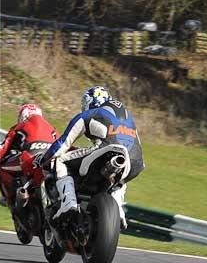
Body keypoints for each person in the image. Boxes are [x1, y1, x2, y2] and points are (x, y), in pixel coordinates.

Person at [42, 86, 144, 227]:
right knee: (120, 180)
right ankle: (118, 209)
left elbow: (62, 144)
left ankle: (69, 203)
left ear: (91, 101)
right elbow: (137, 146)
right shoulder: (129, 119)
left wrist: (44, 160)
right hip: (136, 162)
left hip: (106, 150)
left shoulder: (90, 114)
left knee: (60, 160)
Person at [0, 103, 59, 205]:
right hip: (52, 160)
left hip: (30, 160)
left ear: (23, 115)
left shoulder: (19, 126)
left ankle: (10, 199)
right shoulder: (53, 128)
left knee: (0, 168)